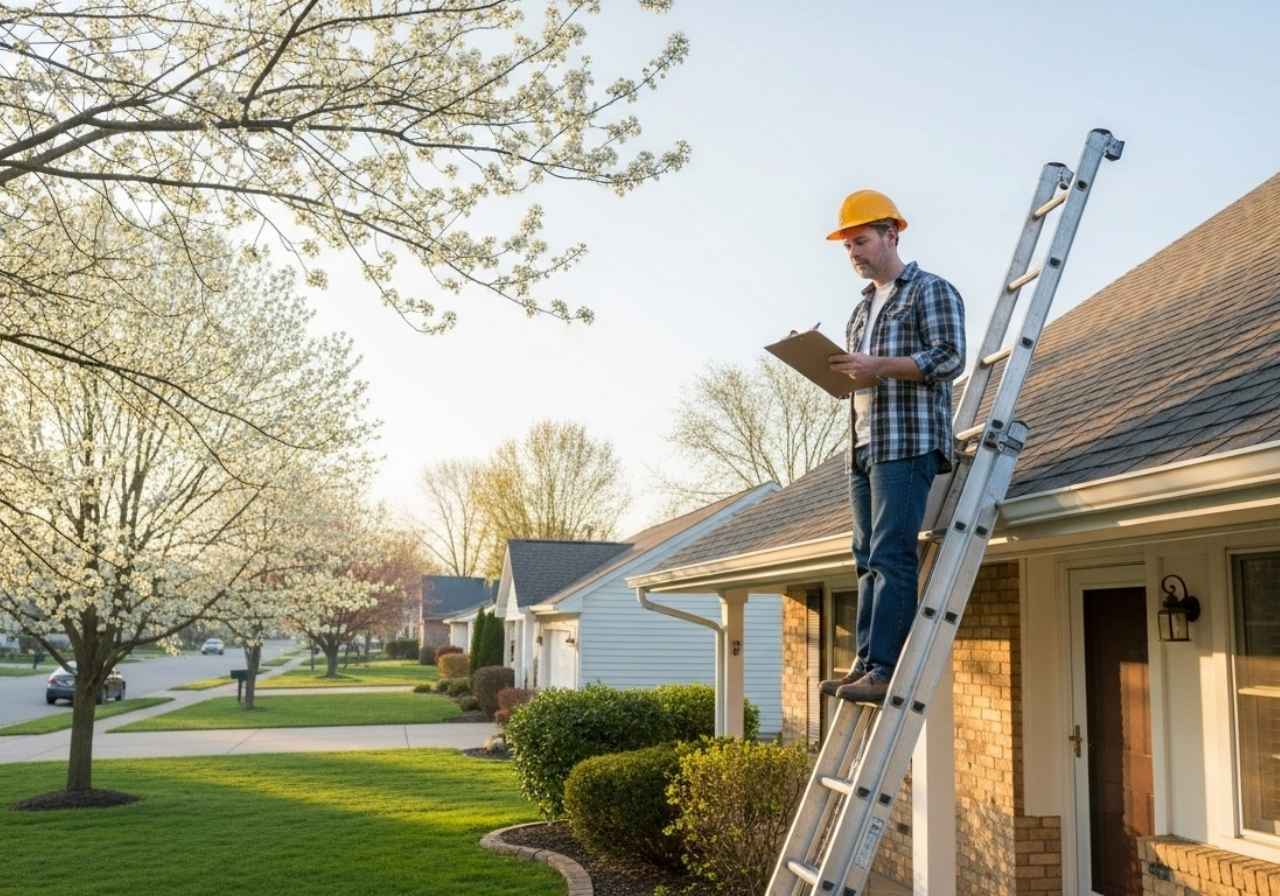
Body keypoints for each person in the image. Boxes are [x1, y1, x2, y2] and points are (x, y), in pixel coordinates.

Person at [819, 189, 965, 703]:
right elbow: (859, 377)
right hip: (861, 445)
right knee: (865, 556)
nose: (853, 252)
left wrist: (877, 366)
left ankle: (885, 668)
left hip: (907, 443)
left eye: (860, 241)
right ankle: (865, 662)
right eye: (846, 246)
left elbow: (949, 358)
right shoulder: (860, 311)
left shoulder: (930, 290)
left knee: (891, 553)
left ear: (891, 234)